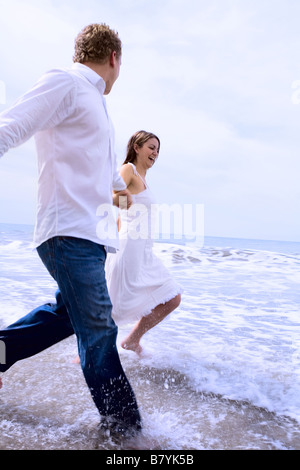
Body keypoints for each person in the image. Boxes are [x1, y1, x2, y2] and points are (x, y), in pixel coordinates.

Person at [0, 23, 142, 438]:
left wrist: (119, 193)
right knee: (98, 327)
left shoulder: (96, 104)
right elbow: (10, 127)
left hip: (90, 237)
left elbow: (94, 167)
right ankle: (127, 433)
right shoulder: (67, 82)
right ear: (114, 57)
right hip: (68, 233)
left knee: (69, 315)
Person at [106, 130, 183, 355]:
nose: (155, 153)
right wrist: (121, 200)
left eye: (157, 149)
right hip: (129, 248)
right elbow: (109, 195)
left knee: (172, 297)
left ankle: (132, 340)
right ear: (137, 147)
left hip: (143, 251)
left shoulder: (143, 180)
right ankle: (87, 352)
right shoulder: (128, 169)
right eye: (151, 147)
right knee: (111, 305)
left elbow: (121, 215)